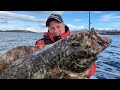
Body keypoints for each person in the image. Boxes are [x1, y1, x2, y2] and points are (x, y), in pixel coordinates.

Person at [35, 13, 96, 78]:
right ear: (48, 29)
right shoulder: (40, 43)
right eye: (52, 28)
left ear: (64, 25)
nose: (55, 30)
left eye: (58, 27)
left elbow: (90, 72)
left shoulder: (77, 41)